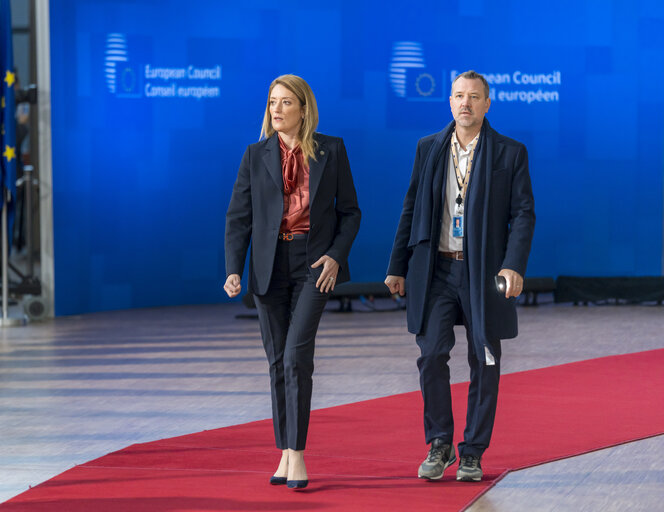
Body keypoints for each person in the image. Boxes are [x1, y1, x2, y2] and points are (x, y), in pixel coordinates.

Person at [385, 70, 535, 482]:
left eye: (473, 96)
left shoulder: (509, 152)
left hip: (484, 272)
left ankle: (472, 451)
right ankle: (440, 442)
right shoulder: (429, 147)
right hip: (436, 269)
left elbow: (523, 213)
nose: (464, 103)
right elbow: (411, 207)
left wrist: (513, 264)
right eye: (457, 96)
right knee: (431, 353)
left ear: (487, 104)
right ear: (449, 102)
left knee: (484, 360)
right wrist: (397, 266)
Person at [224, 74, 360, 489]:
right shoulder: (255, 154)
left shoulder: (331, 150)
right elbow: (238, 217)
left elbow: (351, 212)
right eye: (271, 102)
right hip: (268, 266)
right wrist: (234, 268)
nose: (277, 110)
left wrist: (336, 256)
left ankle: (297, 455)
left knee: (296, 356)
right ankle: (284, 449)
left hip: (313, 265)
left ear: (304, 108)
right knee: (276, 360)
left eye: (285, 102)